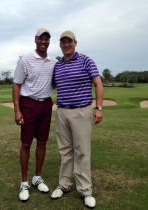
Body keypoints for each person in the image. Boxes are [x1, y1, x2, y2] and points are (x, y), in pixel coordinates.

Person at [51, 31, 104, 209]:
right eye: (63, 42)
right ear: (60, 45)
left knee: (82, 151)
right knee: (65, 151)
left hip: (81, 111)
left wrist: (99, 108)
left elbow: (98, 83)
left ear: (75, 43)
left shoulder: (85, 60)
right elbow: (49, 85)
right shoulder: (57, 66)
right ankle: (64, 184)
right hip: (62, 112)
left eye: (69, 41)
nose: (66, 45)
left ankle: (85, 190)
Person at [12, 28, 57, 202]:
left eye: (47, 39)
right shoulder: (25, 60)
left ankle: (37, 177)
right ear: (35, 40)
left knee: (43, 142)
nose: (44, 42)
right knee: (25, 144)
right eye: (41, 38)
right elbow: (16, 85)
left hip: (46, 104)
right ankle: (24, 182)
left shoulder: (53, 61)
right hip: (28, 104)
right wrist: (17, 110)